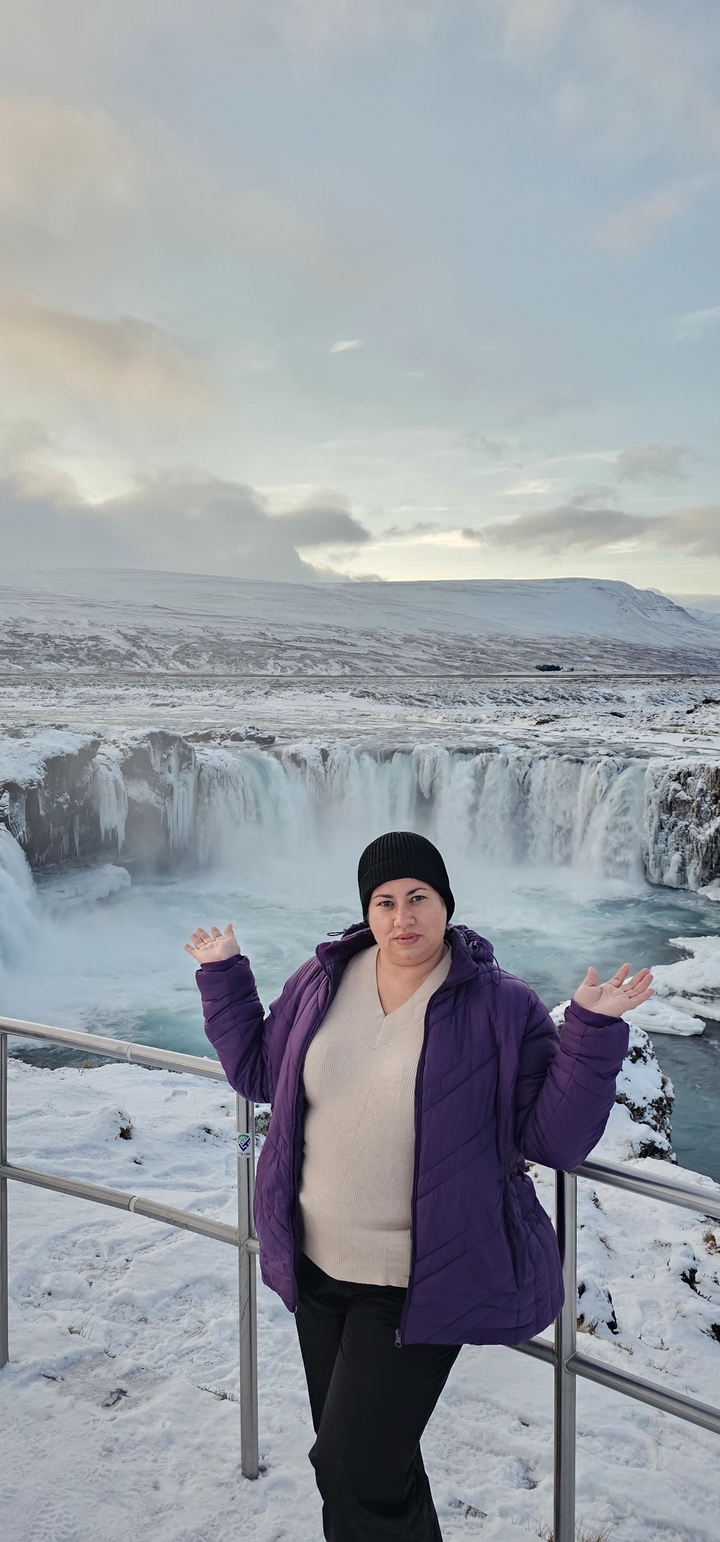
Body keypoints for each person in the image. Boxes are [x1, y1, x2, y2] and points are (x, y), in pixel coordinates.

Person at [184, 830, 652, 1542]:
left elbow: (553, 1140)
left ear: (445, 904)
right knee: (375, 1471)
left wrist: (590, 1030)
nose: (403, 917)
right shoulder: (322, 979)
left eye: (418, 898)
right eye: (385, 901)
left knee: (351, 1469)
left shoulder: (503, 1006)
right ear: (367, 912)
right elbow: (259, 1073)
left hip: (416, 1282)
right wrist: (223, 976)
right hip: (315, 1266)